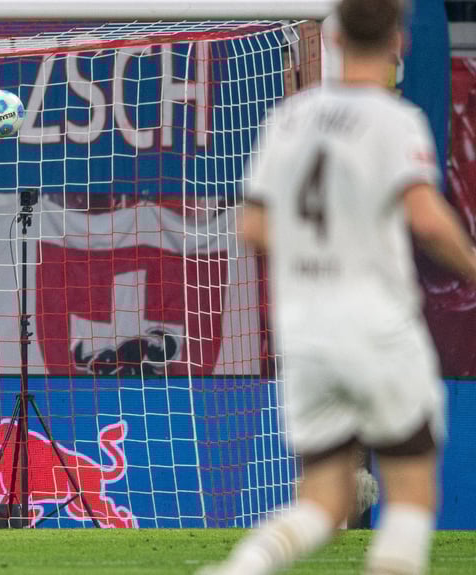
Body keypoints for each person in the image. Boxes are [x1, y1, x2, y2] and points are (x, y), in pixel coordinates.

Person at [200, 0, 476, 573]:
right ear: (400, 43)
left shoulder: (290, 119)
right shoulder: (393, 120)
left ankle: (237, 569)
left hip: (307, 335)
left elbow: (251, 225)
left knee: (324, 502)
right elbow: (424, 216)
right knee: (412, 494)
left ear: (335, 39)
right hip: (377, 326)